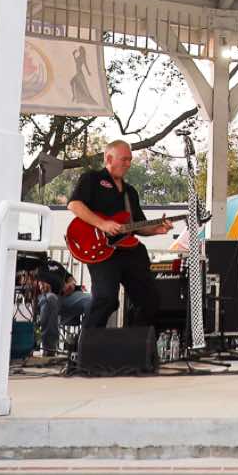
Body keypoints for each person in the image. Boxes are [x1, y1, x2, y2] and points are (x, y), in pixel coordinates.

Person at [67, 139, 168, 331]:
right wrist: (103, 224)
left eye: (130, 160)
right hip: (101, 250)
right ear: (108, 158)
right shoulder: (92, 179)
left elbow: (137, 225)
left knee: (150, 300)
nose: (128, 164)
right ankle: (86, 344)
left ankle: (134, 343)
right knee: (106, 299)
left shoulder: (130, 192)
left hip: (129, 250)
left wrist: (155, 229)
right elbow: (74, 205)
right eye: (124, 159)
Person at [30, 262, 90, 356]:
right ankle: (49, 349)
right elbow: (23, 281)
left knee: (91, 300)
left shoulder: (54, 264)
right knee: (50, 298)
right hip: (46, 296)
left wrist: (71, 284)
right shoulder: (30, 264)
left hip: (66, 296)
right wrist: (38, 285)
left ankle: (87, 343)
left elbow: (70, 277)